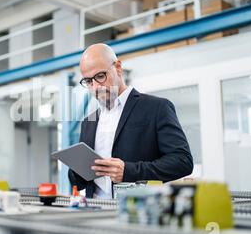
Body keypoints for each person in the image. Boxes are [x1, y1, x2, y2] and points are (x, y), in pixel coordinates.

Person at [68, 43, 193, 199]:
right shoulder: (89, 122)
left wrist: (129, 171)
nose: (95, 87)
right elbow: (80, 182)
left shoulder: (156, 108)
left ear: (118, 68)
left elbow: (182, 161)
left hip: (137, 211)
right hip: (95, 210)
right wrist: (76, 170)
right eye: (88, 81)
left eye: (100, 76)